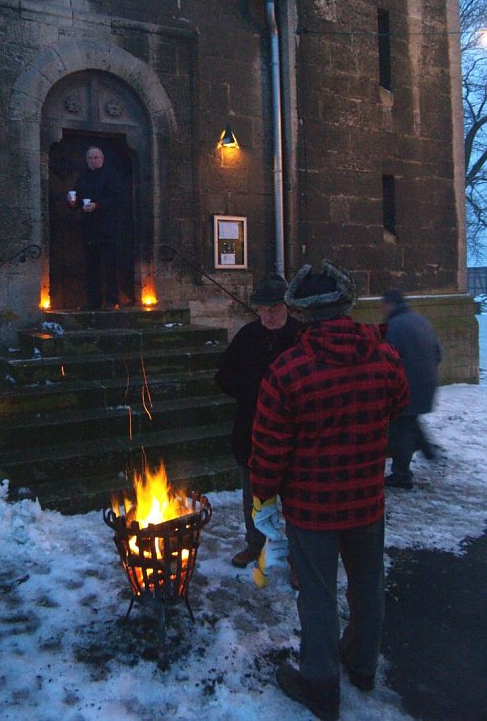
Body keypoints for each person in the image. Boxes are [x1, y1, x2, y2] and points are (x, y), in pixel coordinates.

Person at [250, 260, 409, 721]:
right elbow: (398, 403)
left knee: (317, 593)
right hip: (365, 499)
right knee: (367, 582)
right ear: (345, 306)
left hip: (313, 507)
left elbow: (269, 446)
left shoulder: (288, 370)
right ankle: (361, 663)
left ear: (301, 312)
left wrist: (263, 493)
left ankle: (320, 684)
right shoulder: (383, 355)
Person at [214, 274, 301, 570]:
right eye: (263, 310)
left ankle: (297, 559)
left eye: (274, 309)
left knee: (294, 500)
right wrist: (252, 391)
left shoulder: (301, 337)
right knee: (253, 495)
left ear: (286, 307)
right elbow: (223, 376)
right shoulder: (248, 336)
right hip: (251, 431)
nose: (268, 316)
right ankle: (255, 544)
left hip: (291, 435)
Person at [382, 289, 442, 490]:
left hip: (408, 386)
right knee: (408, 421)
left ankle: (402, 474)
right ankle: (428, 451)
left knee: (401, 430)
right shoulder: (420, 320)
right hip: (426, 382)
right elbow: (437, 353)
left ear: (390, 304)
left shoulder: (394, 326)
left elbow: (387, 359)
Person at [67, 146, 123, 311]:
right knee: (92, 267)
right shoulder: (83, 177)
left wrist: (97, 205)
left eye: (96, 158)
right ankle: (93, 301)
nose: (93, 161)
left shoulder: (111, 176)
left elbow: (118, 199)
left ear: (102, 159)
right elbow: (76, 199)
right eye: (90, 158)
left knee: (110, 266)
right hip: (90, 229)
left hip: (108, 228)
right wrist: (72, 203)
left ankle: (112, 301)